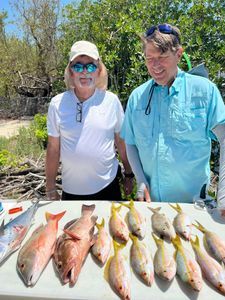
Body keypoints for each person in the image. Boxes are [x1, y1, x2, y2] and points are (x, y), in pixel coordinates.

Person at [120, 24, 225, 206]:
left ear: (178, 54)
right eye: (149, 58)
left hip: (194, 205)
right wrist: (141, 180)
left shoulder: (204, 90)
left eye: (162, 57)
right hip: (151, 205)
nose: (155, 65)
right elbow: (130, 142)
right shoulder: (137, 96)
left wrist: (223, 192)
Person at [45, 40, 134, 200]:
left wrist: (128, 173)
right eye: (78, 66)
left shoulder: (111, 101)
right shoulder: (57, 104)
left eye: (91, 66)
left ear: (98, 70)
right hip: (71, 190)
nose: (84, 72)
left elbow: (121, 142)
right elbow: (53, 148)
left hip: (108, 186)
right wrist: (50, 186)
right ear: (71, 72)